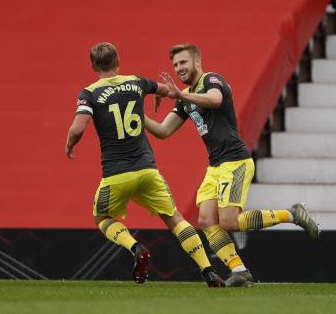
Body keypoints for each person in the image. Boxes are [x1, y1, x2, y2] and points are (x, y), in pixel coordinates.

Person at [144, 43, 320, 287]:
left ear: (196, 61)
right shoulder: (184, 99)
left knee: (229, 223)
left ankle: (291, 213)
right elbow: (163, 131)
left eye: (183, 62)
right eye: (175, 65)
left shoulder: (211, 80)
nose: (179, 68)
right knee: (206, 221)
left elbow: (215, 101)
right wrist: (135, 114)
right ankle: (239, 270)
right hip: (215, 166)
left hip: (235, 161)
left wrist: (180, 94)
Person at [65, 42, 224, 287]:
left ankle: (136, 248)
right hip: (148, 170)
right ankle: (209, 271)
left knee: (102, 217)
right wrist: (159, 97)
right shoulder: (137, 82)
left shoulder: (89, 93)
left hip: (116, 174)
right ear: (118, 62)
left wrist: (69, 146)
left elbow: (78, 127)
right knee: (176, 219)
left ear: (94, 66)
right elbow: (167, 90)